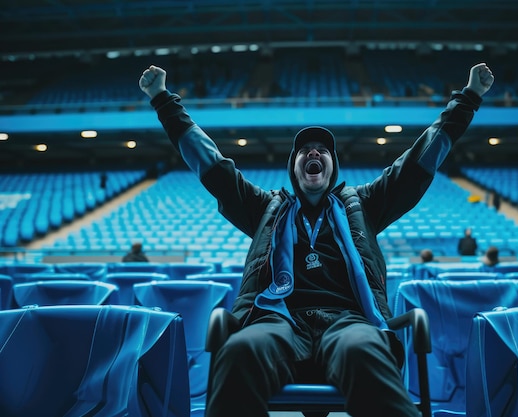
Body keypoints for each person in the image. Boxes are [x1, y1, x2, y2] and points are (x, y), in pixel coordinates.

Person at [139, 62, 494, 417]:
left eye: (322, 150)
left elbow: (418, 162)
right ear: (293, 167)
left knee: (363, 350)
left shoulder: (363, 205)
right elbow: (212, 166)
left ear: (332, 166)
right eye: (304, 150)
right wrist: (162, 100)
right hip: (277, 322)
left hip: (348, 321)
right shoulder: (266, 209)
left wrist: (469, 98)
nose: (313, 153)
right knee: (240, 350)